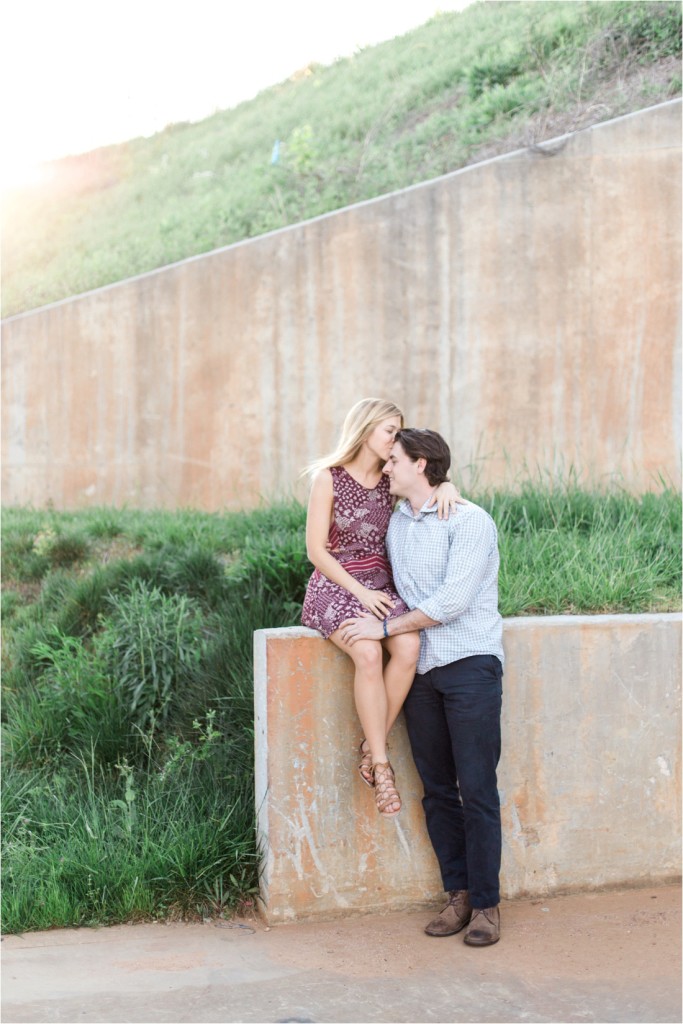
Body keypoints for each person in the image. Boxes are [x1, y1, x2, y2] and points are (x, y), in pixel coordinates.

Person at [339, 428, 504, 947]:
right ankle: (456, 895)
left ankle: (486, 906)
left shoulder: (470, 519)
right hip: (422, 674)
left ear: (422, 465)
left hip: (469, 664)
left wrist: (384, 630)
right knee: (436, 791)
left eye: (395, 461)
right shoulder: (397, 525)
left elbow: (453, 600)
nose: (386, 468)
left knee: (476, 789)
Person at [301, 400, 462, 818]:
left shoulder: (391, 479)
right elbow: (316, 551)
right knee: (369, 652)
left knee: (409, 648)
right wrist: (360, 591)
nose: (396, 438)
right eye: (390, 430)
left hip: (381, 585)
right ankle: (381, 763)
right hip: (338, 583)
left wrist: (447, 486)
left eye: (398, 431)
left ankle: (368, 746)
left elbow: (425, 481)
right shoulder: (329, 478)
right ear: (366, 429)